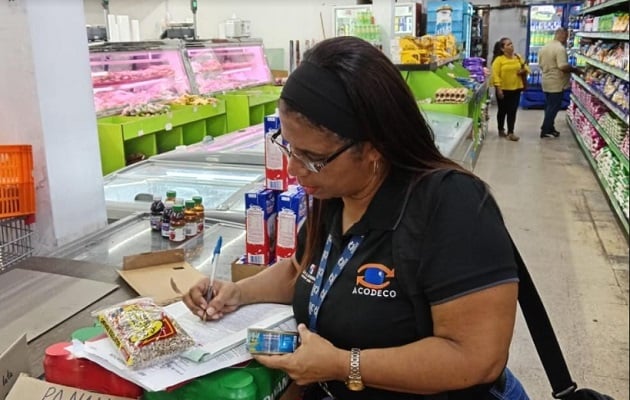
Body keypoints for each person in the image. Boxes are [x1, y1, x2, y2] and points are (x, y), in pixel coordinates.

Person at [184, 36, 529, 400]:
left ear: (373, 148)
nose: (294, 168)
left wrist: (343, 365)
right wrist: (237, 292)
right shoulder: (336, 191)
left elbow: (476, 358)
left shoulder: (451, 206)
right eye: (288, 147)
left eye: (312, 156)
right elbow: (302, 270)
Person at [538, 27, 582, 139]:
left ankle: (550, 128)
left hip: (546, 80)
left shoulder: (544, 47)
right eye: (566, 37)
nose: (566, 40)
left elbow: (540, 64)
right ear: (562, 35)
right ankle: (545, 129)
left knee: (548, 106)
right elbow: (562, 66)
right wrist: (575, 70)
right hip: (556, 82)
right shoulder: (559, 49)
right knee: (553, 107)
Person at [490, 38, 529, 142]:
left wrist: (523, 71)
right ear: (503, 49)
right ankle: (501, 129)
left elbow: (526, 68)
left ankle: (511, 132)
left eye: (511, 43)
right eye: (508, 45)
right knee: (502, 111)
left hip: (516, 88)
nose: (511, 46)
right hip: (503, 89)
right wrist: (498, 88)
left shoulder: (518, 57)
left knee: (512, 111)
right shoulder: (499, 60)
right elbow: (495, 75)